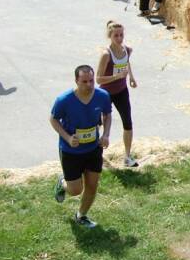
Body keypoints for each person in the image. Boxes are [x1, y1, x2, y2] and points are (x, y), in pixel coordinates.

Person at [51, 65, 112, 228]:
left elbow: (107, 115)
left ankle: (81, 215)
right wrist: (68, 137)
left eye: (91, 80)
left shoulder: (102, 96)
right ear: (76, 81)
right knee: (75, 190)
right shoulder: (64, 100)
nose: (89, 84)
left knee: (92, 185)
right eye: (84, 81)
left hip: (93, 148)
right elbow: (53, 120)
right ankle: (62, 182)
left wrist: (106, 134)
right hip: (71, 151)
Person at [96, 21, 139, 168]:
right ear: (110, 36)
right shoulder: (105, 55)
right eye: (116, 35)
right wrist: (117, 77)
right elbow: (98, 79)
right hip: (105, 94)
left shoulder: (127, 49)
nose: (120, 38)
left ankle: (127, 156)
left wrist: (131, 77)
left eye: (121, 35)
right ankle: (97, 156)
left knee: (128, 122)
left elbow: (126, 63)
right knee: (99, 124)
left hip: (122, 91)